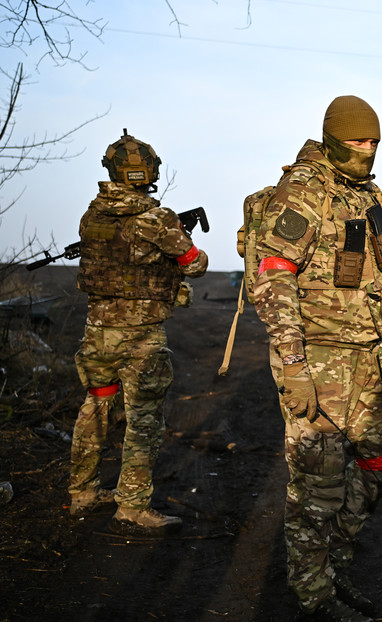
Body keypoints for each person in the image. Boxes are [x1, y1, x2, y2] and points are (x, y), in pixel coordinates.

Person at [252, 95, 382, 622]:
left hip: (369, 355)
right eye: (356, 143)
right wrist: (294, 366)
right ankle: (315, 596)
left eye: (374, 143)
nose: (366, 150)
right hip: (316, 357)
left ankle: (335, 562)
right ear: (331, 139)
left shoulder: (369, 192)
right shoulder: (302, 191)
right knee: (316, 486)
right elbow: (272, 275)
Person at [68, 130, 208, 536]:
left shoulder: (91, 216)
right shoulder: (156, 219)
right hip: (140, 338)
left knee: (96, 407)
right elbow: (195, 264)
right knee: (143, 420)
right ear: (149, 172)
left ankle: (81, 492)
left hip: (97, 332)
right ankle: (131, 506)